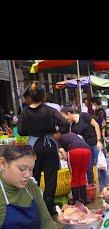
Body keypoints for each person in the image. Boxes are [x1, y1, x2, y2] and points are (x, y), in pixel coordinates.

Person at [17, 81, 71, 216]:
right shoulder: (50, 110)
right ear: (43, 96)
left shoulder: (25, 112)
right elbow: (65, 125)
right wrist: (56, 129)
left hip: (33, 148)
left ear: (30, 96)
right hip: (50, 146)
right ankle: (48, 206)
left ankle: (35, 206)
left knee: (32, 177)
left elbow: (21, 131)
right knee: (50, 178)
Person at [61, 104, 105, 191]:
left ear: (69, 113)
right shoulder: (73, 127)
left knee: (101, 166)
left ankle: (104, 188)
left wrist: (99, 140)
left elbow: (96, 125)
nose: (65, 119)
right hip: (87, 148)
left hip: (95, 144)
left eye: (65, 116)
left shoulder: (84, 116)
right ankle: (92, 189)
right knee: (88, 168)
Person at [55, 130, 91, 205]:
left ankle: (76, 200)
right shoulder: (72, 134)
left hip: (74, 152)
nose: (54, 136)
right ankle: (84, 199)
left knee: (75, 177)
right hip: (87, 151)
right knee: (82, 176)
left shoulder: (59, 140)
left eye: (54, 134)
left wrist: (65, 158)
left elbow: (64, 156)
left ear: (58, 133)